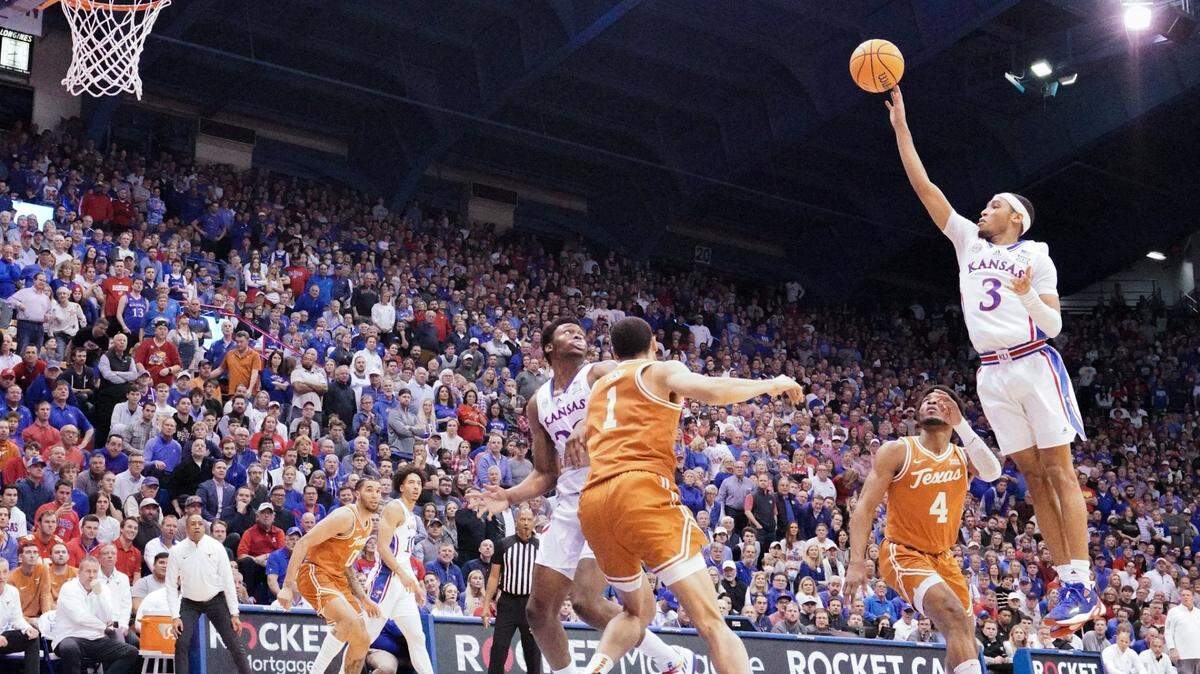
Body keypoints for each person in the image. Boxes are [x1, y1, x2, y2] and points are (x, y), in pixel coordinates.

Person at [885, 85, 1096, 632]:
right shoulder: (968, 243)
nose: (984, 208)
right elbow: (924, 187)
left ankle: (1083, 579)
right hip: (991, 372)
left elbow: (1052, 325)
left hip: (1033, 362)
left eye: (995, 204)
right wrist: (902, 127)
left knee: (1058, 469)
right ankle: (1065, 577)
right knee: (1030, 477)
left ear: (1017, 219)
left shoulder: (1035, 256)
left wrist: (1027, 293)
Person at [576, 316, 801, 674]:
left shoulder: (600, 387)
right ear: (653, 344)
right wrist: (770, 383)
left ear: (615, 352)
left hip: (594, 500)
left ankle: (594, 669)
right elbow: (711, 390)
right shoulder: (659, 370)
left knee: (636, 612)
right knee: (712, 622)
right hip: (641, 489)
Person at [480, 317, 687, 674]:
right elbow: (546, 472)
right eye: (566, 331)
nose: (577, 333)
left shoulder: (599, 373)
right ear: (548, 348)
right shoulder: (537, 402)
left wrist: (585, 422)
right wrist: (510, 496)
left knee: (586, 602)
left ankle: (669, 659)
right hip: (568, 502)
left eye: (580, 330)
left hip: (607, 491)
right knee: (538, 611)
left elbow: (641, 375)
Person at [846, 387, 1001, 674]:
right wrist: (856, 561)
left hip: (944, 557)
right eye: (927, 401)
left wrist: (962, 425)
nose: (932, 404)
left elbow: (993, 473)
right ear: (917, 414)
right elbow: (865, 507)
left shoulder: (964, 456)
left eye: (942, 402)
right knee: (953, 615)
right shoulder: (898, 450)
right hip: (903, 553)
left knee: (964, 635)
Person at [310, 467, 432, 674]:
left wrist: (415, 584)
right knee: (362, 636)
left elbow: (403, 556)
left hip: (402, 586)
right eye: (411, 483)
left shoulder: (412, 516)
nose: (416, 487)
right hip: (385, 581)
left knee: (417, 637)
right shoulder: (395, 508)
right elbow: (382, 548)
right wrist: (403, 575)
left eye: (419, 483)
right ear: (401, 487)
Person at [276, 478, 383, 674]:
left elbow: (348, 564)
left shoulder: (367, 524)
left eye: (378, 490)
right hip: (315, 572)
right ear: (357, 494)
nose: (375, 494)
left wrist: (363, 598)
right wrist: (286, 586)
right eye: (369, 490)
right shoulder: (344, 516)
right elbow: (303, 543)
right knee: (349, 620)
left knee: (362, 640)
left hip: (338, 579)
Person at [166, 514, 252, 674]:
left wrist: (234, 613)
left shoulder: (216, 547)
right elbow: (171, 585)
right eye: (193, 524)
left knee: (234, 643)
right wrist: (174, 616)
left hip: (215, 599)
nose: (197, 526)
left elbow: (228, 581)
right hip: (189, 602)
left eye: (200, 523)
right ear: (186, 528)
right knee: (181, 643)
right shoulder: (176, 551)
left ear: (204, 527)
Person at [48, 556, 140, 674]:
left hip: (96, 638)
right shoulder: (69, 588)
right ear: (79, 572)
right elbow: (79, 617)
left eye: (95, 571)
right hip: (70, 636)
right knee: (69, 648)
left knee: (131, 652)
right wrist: (103, 626)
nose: (91, 575)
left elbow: (107, 617)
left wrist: (99, 594)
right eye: (88, 571)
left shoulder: (103, 589)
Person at [482, 507, 540, 674]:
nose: (526, 523)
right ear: (516, 522)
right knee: (499, 649)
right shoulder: (503, 544)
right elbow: (493, 577)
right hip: (508, 602)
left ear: (534, 522)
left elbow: (544, 579)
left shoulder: (540, 546)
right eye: (523, 519)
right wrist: (486, 605)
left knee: (533, 653)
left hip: (530, 604)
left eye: (529, 520)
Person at [0, 558, 40, 674]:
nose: (1, 576)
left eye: (5, 571)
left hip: (3, 637)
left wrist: (28, 628)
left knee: (32, 638)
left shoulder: (12, 592)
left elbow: (17, 619)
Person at [1166, 589, 1200, 674]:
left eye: (1188, 595)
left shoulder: (1198, 612)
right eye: (1183, 595)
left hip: (1198, 653)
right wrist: (1172, 648)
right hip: (1182, 654)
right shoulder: (1173, 612)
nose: (1185, 597)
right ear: (1180, 597)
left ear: (1193, 597)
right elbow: (1168, 631)